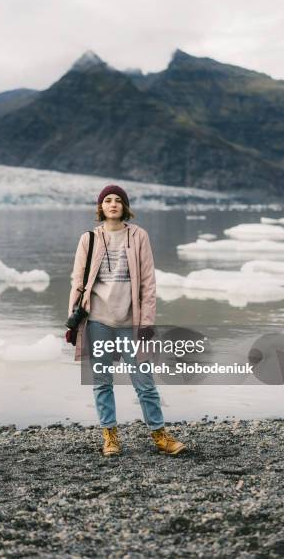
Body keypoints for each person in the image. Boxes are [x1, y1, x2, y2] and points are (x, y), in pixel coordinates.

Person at [66, 184, 186, 457]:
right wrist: (72, 321)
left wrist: (146, 324)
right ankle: (110, 437)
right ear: (101, 207)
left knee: (143, 380)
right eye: (107, 200)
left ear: (125, 207)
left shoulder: (139, 236)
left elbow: (148, 284)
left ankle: (160, 436)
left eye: (118, 200)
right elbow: (77, 281)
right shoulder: (89, 239)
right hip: (97, 320)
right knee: (102, 381)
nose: (112, 204)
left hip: (130, 322)